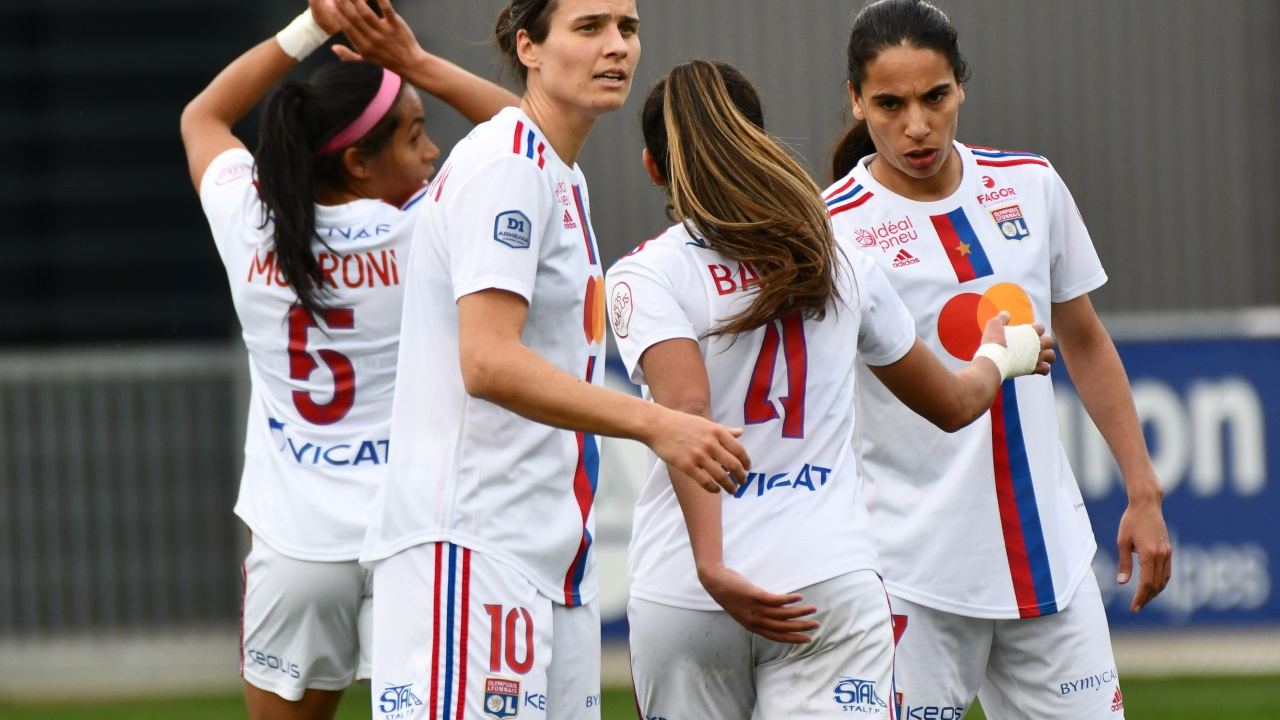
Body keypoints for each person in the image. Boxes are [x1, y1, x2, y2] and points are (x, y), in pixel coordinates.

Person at [611, 59, 1055, 720]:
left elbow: (686, 411)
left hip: (685, 593)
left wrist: (713, 566)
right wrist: (1004, 352)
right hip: (824, 579)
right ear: (759, 144)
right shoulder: (838, 258)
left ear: (653, 167)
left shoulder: (644, 275)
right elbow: (956, 404)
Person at [355, 3, 753, 720]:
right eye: (589, 27)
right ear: (529, 46)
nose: (616, 48)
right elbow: (487, 361)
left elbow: (519, 116)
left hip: (545, 557)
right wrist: (657, 423)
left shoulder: (549, 166)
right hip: (473, 547)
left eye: (627, 29)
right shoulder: (508, 165)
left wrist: (417, 65)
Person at [825, 1, 1173, 718]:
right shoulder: (830, 228)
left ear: (962, 87)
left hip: (1053, 563)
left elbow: (1083, 338)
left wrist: (1143, 491)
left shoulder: (1031, 184)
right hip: (910, 577)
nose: (916, 125)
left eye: (935, 97)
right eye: (889, 104)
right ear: (856, 101)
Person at [180, 1, 517, 717]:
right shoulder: (423, 230)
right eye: (418, 135)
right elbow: (531, 137)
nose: (432, 154)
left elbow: (203, 118)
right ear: (360, 161)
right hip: (413, 541)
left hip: (295, 548)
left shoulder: (252, 223)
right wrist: (411, 60)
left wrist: (310, 26)